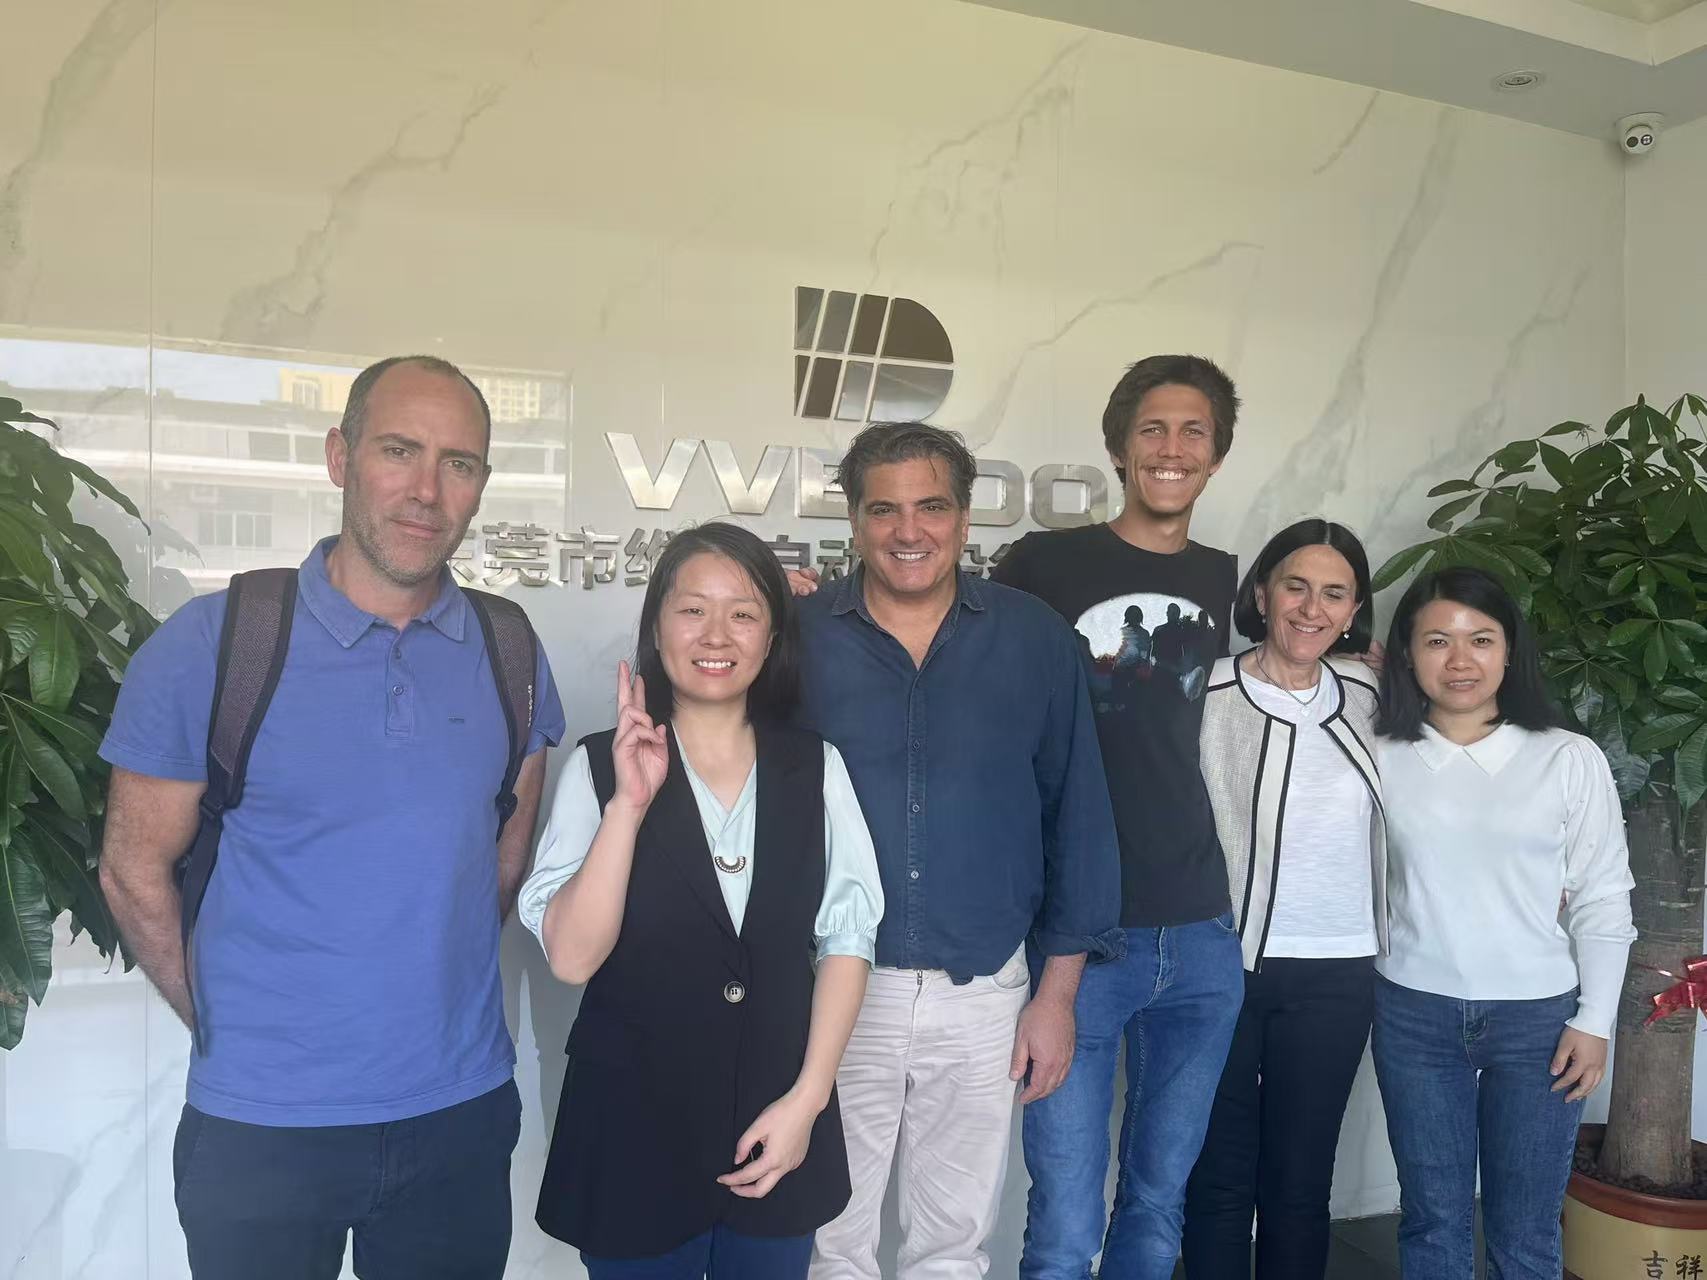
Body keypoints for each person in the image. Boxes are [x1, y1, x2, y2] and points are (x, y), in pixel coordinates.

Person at [97, 355, 565, 1278]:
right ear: (339, 457)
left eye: (459, 463)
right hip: (262, 1127)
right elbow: (130, 869)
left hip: (458, 1111)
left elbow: (501, 855)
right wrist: (227, 1024)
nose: (426, 490)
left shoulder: (508, 646)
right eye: (398, 450)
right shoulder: (214, 643)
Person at [797, 421, 1122, 1280]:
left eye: (931, 507)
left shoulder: (1034, 637)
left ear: (965, 518)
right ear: (854, 522)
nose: (909, 531)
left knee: (951, 1245)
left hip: (983, 991)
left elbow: (1076, 815)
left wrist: (1056, 998)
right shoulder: (798, 637)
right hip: (834, 985)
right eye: (884, 510)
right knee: (826, 1240)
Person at [518, 522, 882, 1279]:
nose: (716, 635)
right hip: (633, 1131)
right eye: (692, 610)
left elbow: (847, 939)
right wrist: (628, 806)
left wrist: (809, 1100)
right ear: (656, 626)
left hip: (775, 1124)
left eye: (743, 613)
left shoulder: (815, 767)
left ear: (772, 636)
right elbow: (573, 959)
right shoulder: (598, 766)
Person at [991, 355, 1246, 1280]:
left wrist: (1367, 661)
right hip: (1078, 939)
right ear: (1118, 448)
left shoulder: (1223, 578)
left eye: (1192, 431)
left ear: (1215, 454)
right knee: (1065, 1218)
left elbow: (1280, 676)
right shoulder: (1043, 563)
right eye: (1152, 429)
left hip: (1202, 930)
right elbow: (950, 644)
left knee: (1157, 1201)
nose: (1171, 448)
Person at [1373, 566, 1635, 1280]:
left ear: (1510, 650)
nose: (1459, 660)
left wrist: (1595, 1021)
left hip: (1539, 1022)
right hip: (1412, 1014)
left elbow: (1603, 896)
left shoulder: (1566, 757)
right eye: (1436, 641)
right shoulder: (1378, 754)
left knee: (1525, 1230)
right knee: (1432, 1219)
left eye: (1480, 639)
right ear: (1406, 654)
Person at [1182, 518, 1386, 1280]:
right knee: (1216, 1177)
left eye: (1333, 594)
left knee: (1300, 1185)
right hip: (1220, 966)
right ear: (1262, 593)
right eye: (1295, 586)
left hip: (1339, 970)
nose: (1311, 608)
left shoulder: (1372, 693)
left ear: (1353, 609)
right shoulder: (1204, 690)